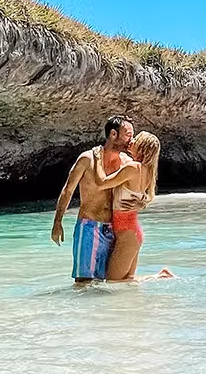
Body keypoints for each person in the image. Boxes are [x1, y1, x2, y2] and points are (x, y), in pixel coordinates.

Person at [50, 115, 148, 284]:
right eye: (128, 134)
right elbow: (68, 190)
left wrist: (143, 200)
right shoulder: (87, 159)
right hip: (89, 226)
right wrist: (57, 222)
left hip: (115, 229)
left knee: (110, 284)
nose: (131, 139)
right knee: (83, 282)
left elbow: (139, 189)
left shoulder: (127, 162)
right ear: (113, 134)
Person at [90, 131, 172, 281]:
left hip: (127, 235)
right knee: (127, 281)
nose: (132, 141)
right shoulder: (146, 171)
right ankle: (160, 276)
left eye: (136, 139)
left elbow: (101, 183)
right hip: (132, 233)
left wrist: (97, 159)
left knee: (113, 282)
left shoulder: (133, 168)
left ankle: (161, 276)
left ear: (142, 147)